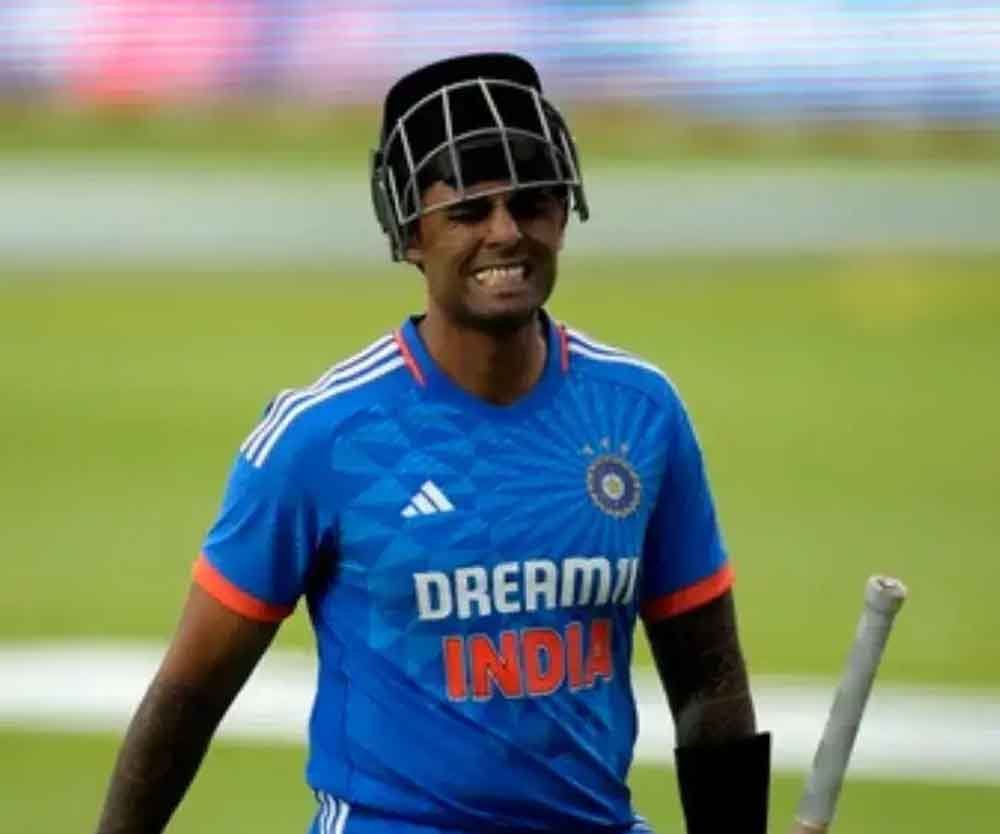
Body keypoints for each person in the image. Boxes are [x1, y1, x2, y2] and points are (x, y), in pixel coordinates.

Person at [94, 52, 769, 834]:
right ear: (411, 234)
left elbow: (709, 684)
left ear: (564, 214)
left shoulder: (642, 413)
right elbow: (190, 694)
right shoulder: (324, 438)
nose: (505, 233)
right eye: (469, 211)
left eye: (532, 203)